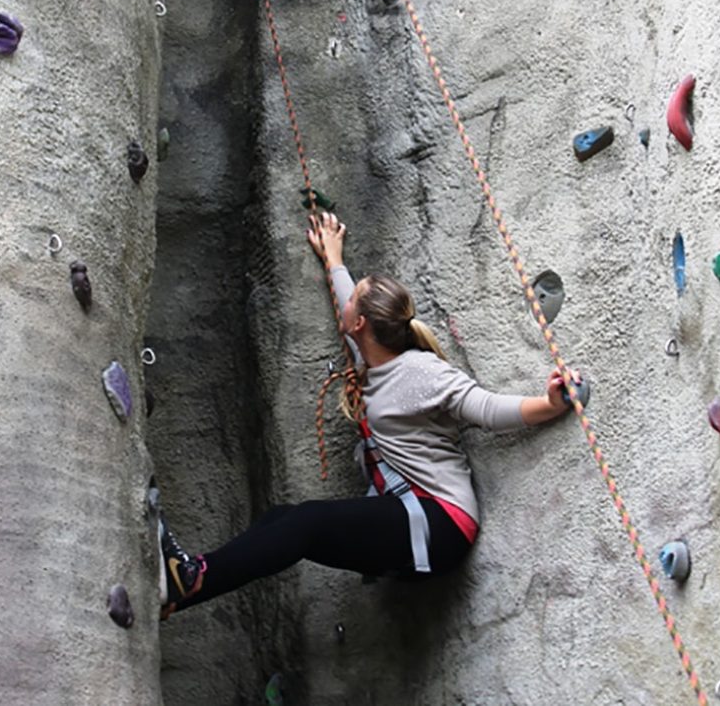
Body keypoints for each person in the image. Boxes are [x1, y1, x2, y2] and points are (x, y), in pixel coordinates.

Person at [159, 211, 578, 616]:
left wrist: (550, 403)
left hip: (440, 525)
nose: (348, 299)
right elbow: (350, 304)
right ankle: (177, 597)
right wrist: (334, 258)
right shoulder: (378, 357)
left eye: (355, 298)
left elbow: (484, 407)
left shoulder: (420, 372)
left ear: (360, 323)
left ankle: (190, 577)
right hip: (414, 519)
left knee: (304, 524)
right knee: (280, 519)